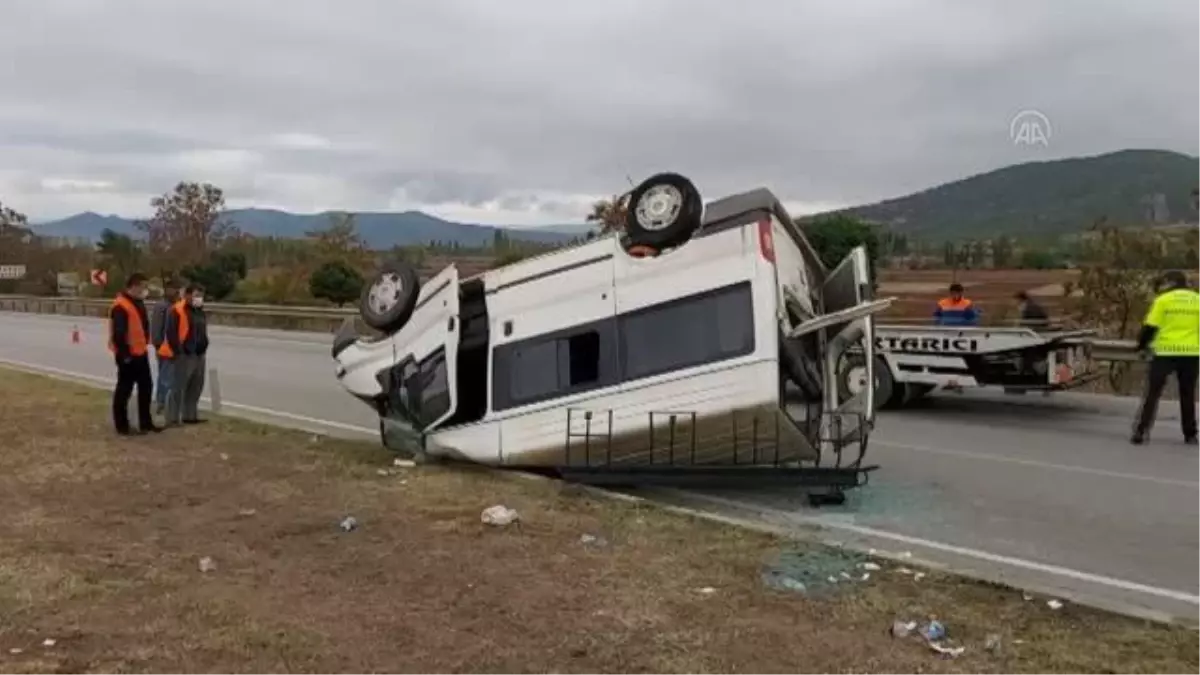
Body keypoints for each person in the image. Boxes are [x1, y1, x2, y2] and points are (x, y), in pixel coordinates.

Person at [1130, 270, 1200, 445]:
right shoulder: (1198, 301)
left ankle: (1141, 431)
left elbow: (1150, 328)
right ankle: (1190, 435)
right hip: (1191, 353)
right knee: (1188, 394)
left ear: (1170, 283)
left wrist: (1141, 346)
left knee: (1153, 393)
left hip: (1165, 353)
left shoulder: (1163, 301)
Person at [109, 272, 162, 436]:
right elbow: (119, 334)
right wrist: (125, 356)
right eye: (143, 286)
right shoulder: (121, 306)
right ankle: (122, 426)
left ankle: (146, 423)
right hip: (128, 355)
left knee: (146, 387)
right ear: (134, 286)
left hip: (140, 352)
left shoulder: (137, 303)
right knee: (124, 389)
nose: (145, 290)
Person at [163, 284, 210, 425]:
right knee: (178, 387)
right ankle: (172, 418)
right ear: (187, 295)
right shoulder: (177, 310)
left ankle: (190, 416)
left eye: (201, 296)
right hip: (183, 355)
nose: (199, 298)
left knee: (195, 386)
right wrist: (178, 352)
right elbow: (171, 333)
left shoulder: (200, 311)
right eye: (196, 295)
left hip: (199, 354)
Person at [149, 281, 179, 415]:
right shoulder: (161, 306)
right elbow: (156, 328)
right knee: (165, 377)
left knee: (172, 377)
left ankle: (170, 403)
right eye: (173, 289)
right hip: (164, 348)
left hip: (176, 348)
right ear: (167, 290)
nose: (176, 292)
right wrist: (159, 345)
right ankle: (161, 402)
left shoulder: (176, 305)